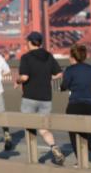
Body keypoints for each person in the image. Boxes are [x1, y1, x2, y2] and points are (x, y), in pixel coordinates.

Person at [14, 32, 65, 165]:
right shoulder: (49, 56)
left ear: (30, 42)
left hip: (30, 97)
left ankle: (33, 160)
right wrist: (47, 77)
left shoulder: (26, 57)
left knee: (29, 127)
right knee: (43, 128)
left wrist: (17, 81)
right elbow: (59, 74)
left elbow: (24, 77)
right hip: (46, 98)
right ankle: (54, 146)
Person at [59, 43, 91, 166]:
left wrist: (62, 87)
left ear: (73, 57)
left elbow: (64, 85)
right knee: (85, 129)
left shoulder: (70, 70)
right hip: (90, 104)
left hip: (75, 103)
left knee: (73, 131)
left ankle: (80, 160)